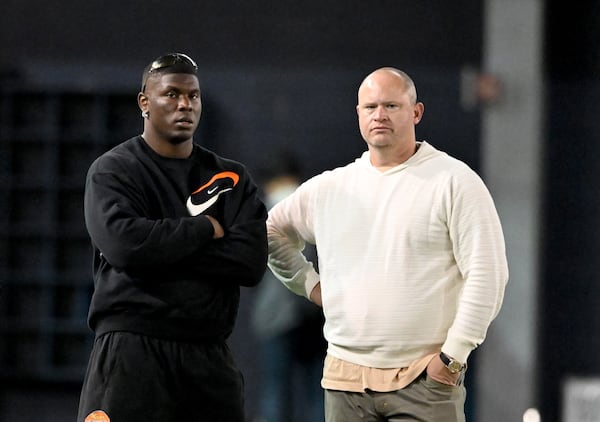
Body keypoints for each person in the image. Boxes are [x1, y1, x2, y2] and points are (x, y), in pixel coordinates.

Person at [266, 67, 509, 422]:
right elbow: (271, 232)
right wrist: (311, 285)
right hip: (344, 383)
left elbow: (488, 275)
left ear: (416, 112)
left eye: (392, 105)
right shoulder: (330, 188)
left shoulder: (454, 182)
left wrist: (453, 358)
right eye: (370, 107)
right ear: (359, 115)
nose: (379, 115)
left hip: (425, 382)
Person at [77, 52, 268, 422]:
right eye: (172, 94)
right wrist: (204, 229)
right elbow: (124, 245)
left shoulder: (231, 177)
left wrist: (159, 247)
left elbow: (250, 261)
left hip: (208, 356)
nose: (185, 104)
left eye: (193, 96)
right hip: (130, 353)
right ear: (144, 103)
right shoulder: (114, 170)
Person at [251, 155, 326, 422]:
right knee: (317, 394)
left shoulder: (261, 213)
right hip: (316, 313)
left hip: (277, 317)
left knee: (275, 393)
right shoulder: (313, 209)